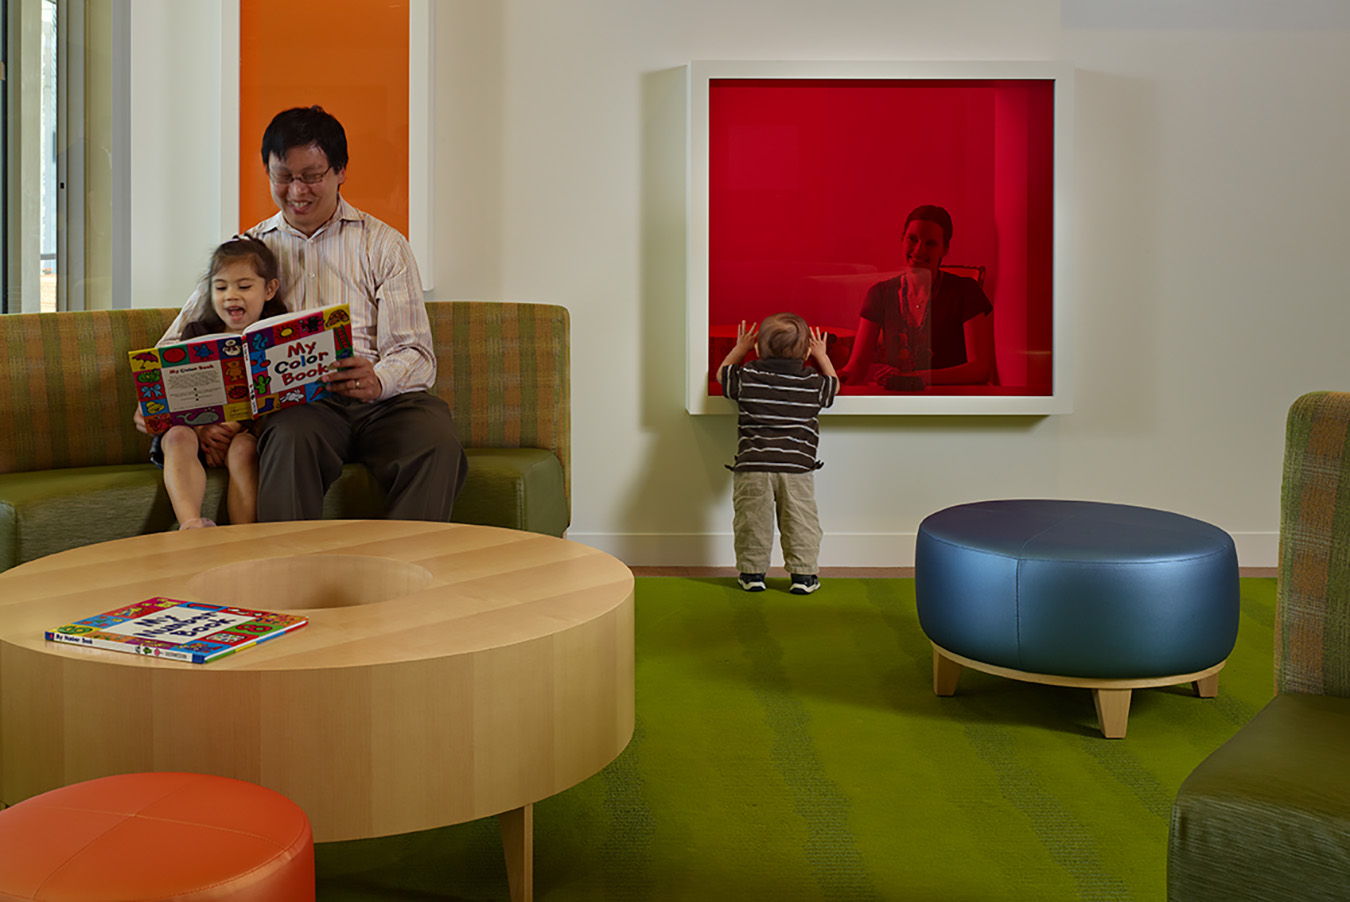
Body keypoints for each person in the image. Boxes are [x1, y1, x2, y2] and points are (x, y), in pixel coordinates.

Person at [146, 105, 467, 522]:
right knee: (289, 436)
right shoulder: (249, 251)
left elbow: (418, 355)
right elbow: (174, 345)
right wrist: (167, 406)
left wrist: (379, 379)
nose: (297, 191)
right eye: (283, 176)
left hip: (385, 402)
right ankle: (289, 574)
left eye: (312, 176)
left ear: (340, 171)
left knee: (436, 441)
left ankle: (402, 570)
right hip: (303, 407)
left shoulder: (385, 245)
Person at [153, 236, 288, 529]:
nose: (231, 295)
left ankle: (243, 538)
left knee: (243, 450)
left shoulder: (277, 336)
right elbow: (178, 393)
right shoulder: (196, 332)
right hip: (194, 429)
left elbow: (280, 397)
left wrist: (233, 427)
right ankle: (191, 525)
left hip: (247, 432)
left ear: (269, 289)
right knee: (176, 437)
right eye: (221, 287)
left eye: (244, 286)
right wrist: (202, 428)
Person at [716, 312, 838, 595]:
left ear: (758, 348)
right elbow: (833, 385)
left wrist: (739, 348)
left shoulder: (747, 377)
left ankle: (752, 574)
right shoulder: (811, 383)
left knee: (752, 522)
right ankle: (804, 576)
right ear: (807, 350)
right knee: (800, 521)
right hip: (797, 468)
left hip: (753, 465)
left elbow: (724, 375)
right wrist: (821, 356)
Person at [838, 204, 994, 390]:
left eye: (931, 243)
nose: (919, 250)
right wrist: (825, 373)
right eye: (913, 239)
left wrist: (917, 377)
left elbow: (980, 369)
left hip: (951, 403)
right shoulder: (879, 293)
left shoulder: (965, 291)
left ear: (944, 249)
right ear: (902, 239)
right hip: (898, 404)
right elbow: (856, 369)